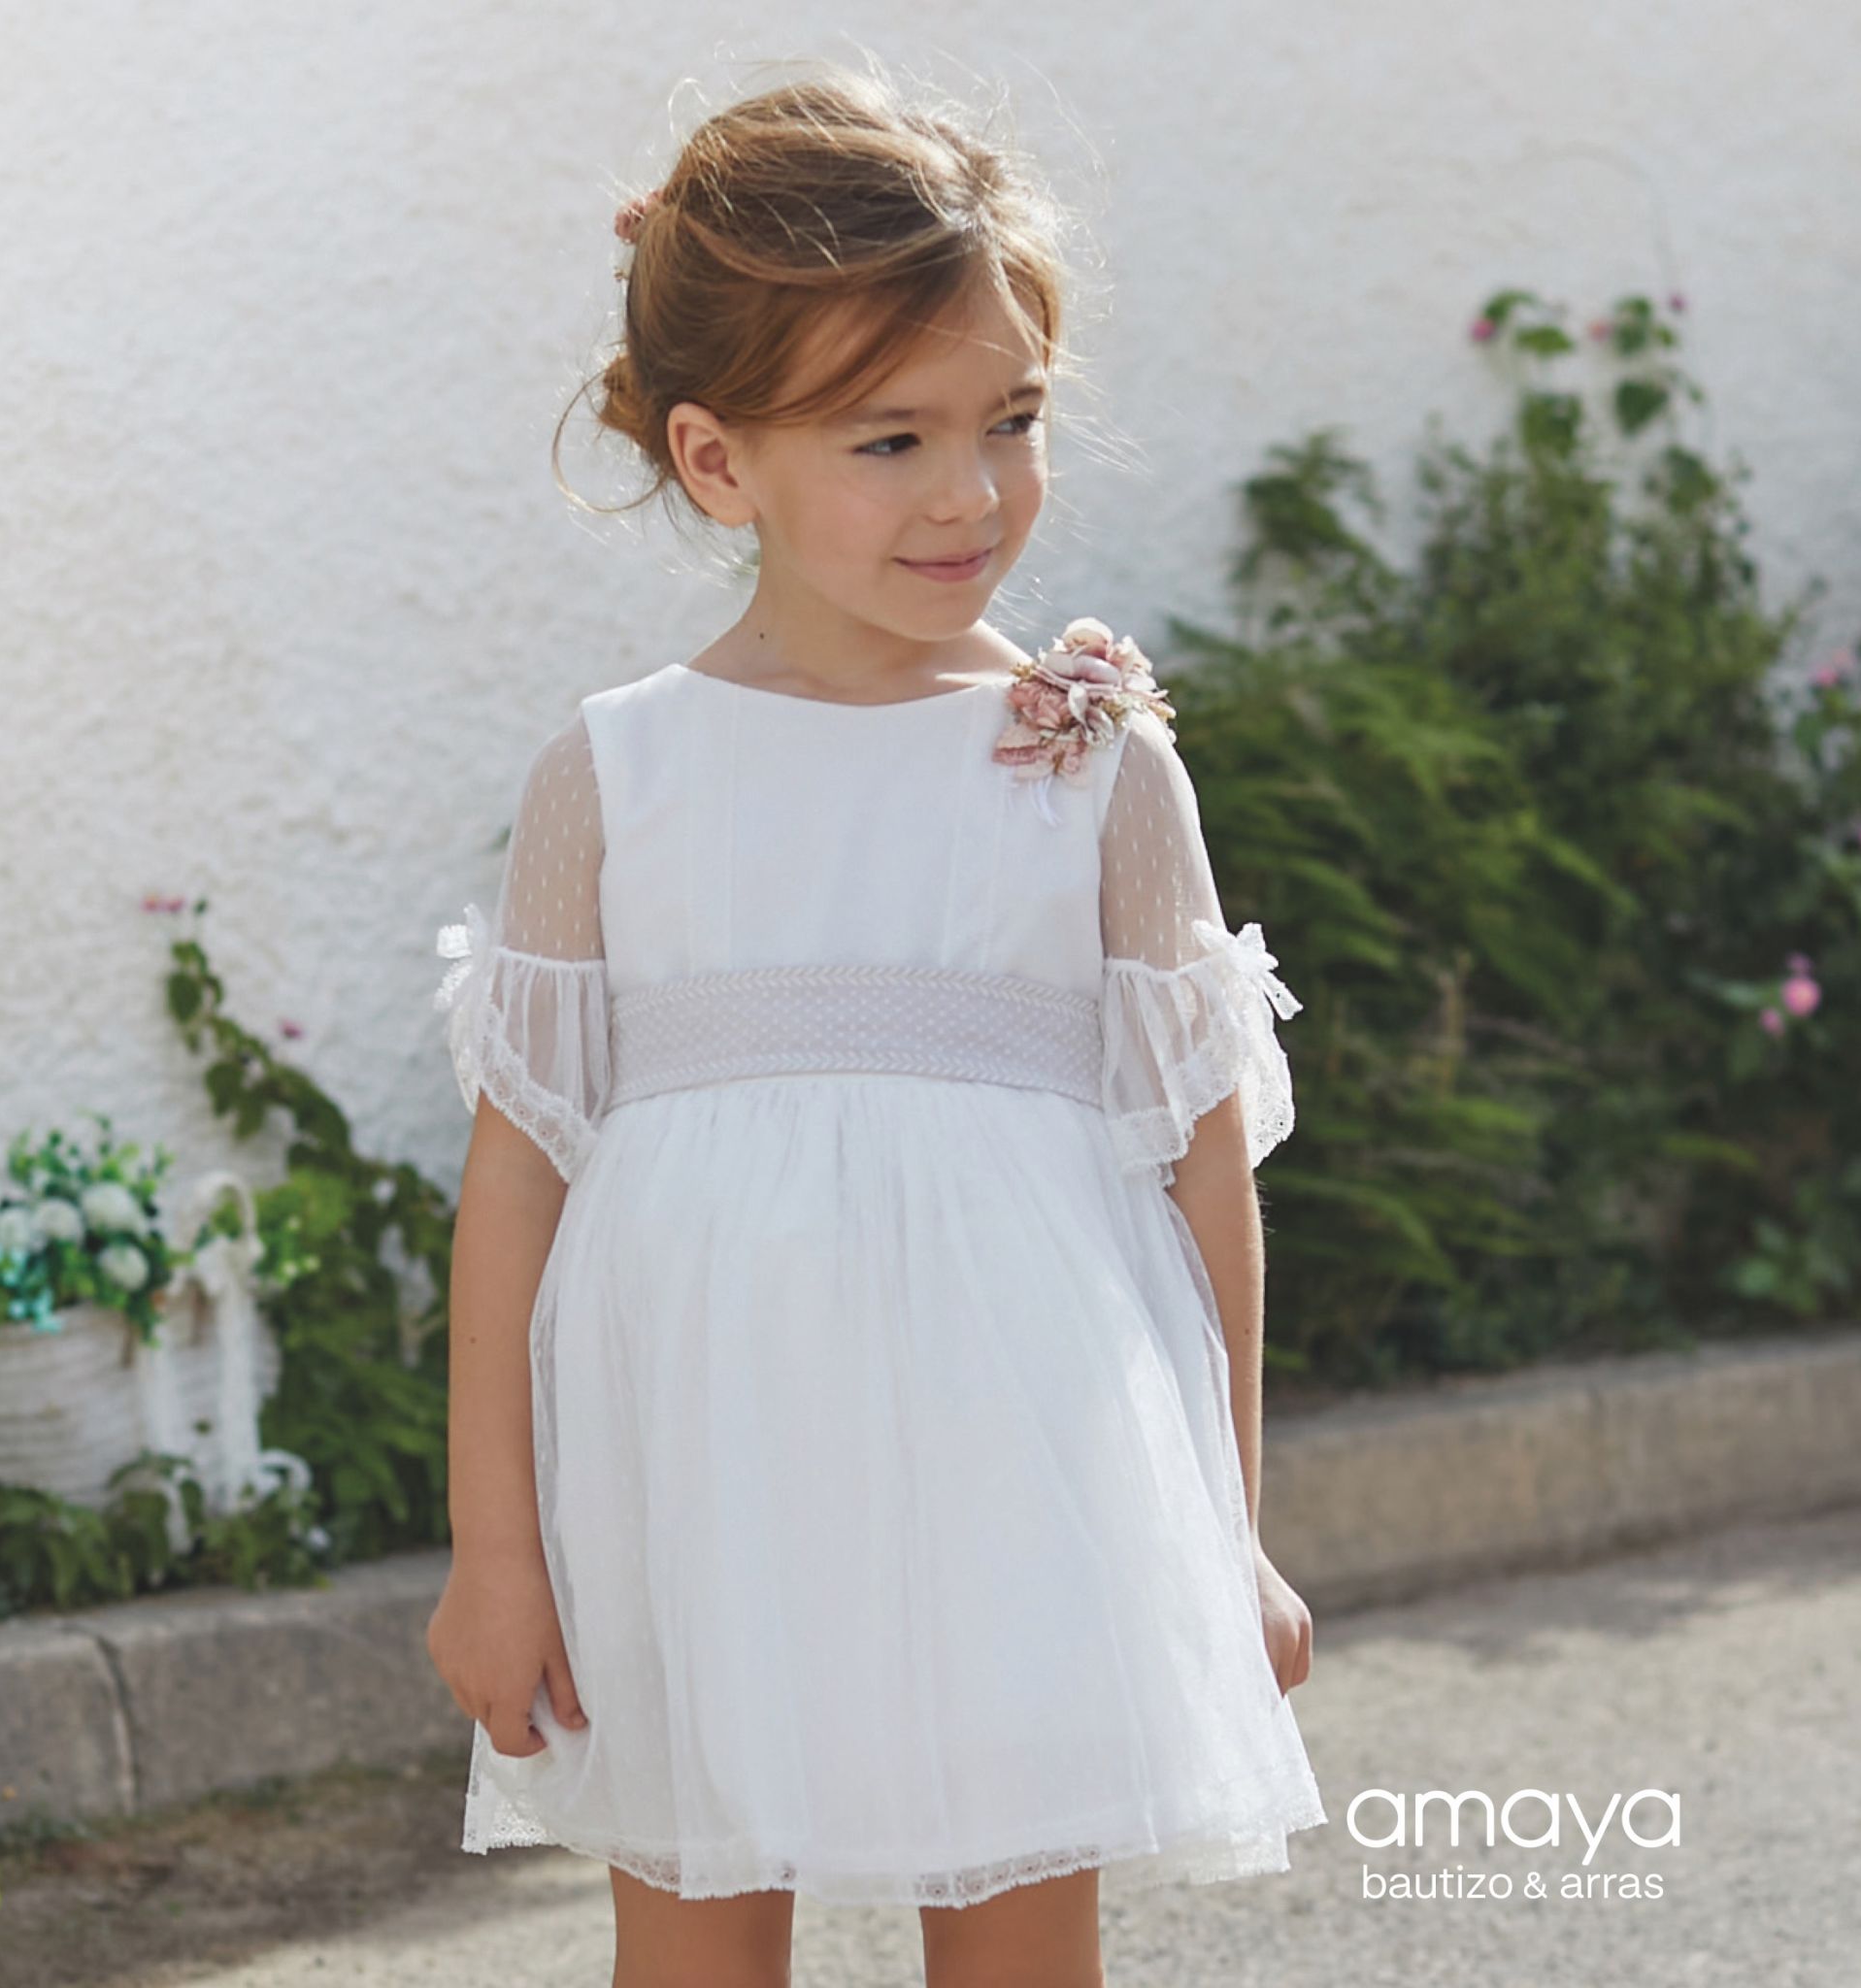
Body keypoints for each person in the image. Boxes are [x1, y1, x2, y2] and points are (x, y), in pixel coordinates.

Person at [424, 57, 1327, 1988]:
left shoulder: (1099, 768)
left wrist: (1226, 1530)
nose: (971, 492)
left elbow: (1201, 1171)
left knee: (1019, 1943)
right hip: (695, 1468)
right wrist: (496, 1552)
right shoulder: (617, 777)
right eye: (889, 438)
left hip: (1024, 1465)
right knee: (692, 1945)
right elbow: (515, 1182)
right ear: (714, 459)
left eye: (1011, 421)